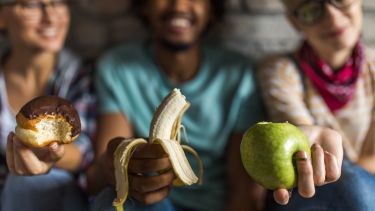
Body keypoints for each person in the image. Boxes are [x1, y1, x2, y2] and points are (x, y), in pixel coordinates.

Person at [87, 0, 343, 210]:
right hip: (149, 203)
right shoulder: (116, 67)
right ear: (144, 6)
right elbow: (100, 168)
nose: (179, 6)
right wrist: (116, 166)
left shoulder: (238, 74)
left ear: (212, 9)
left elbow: (244, 187)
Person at [257, 0, 375, 210]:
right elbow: (303, 147)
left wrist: (344, 170)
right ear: (294, 21)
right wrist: (305, 142)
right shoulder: (280, 72)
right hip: (308, 195)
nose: (332, 17)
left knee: (352, 186)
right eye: (311, 9)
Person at [0, 0, 96, 210]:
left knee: (29, 181)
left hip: (57, 197)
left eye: (59, 2)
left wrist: (49, 155)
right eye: (32, 5)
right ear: (2, 17)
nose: (51, 17)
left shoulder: (79, 77)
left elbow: (84, 153)